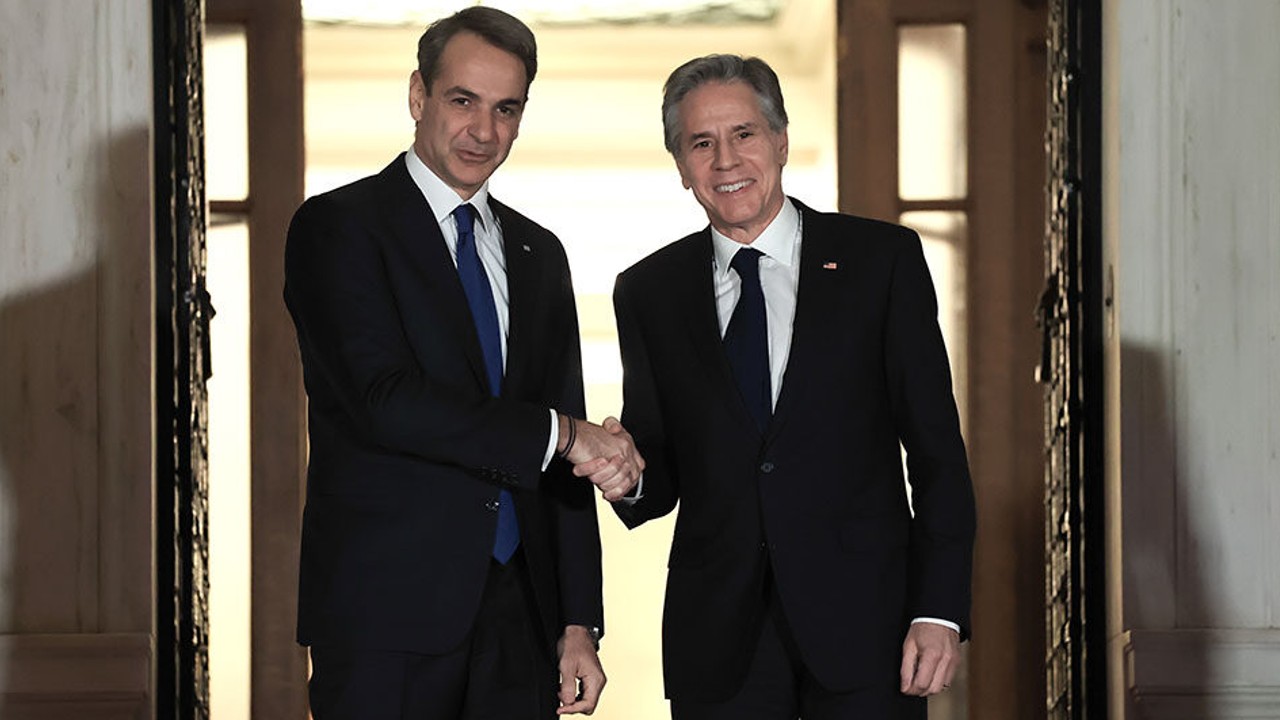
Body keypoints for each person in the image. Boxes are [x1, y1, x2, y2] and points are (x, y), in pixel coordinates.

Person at [283, 8, 642, 718]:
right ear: (418, 95)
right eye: (463, 101)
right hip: (386, 618)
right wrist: (566, 434)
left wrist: (578, 622)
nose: (483, 130)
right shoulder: (339, 227)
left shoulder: (539, 254)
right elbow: (386, 400)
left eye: (506, 109)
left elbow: (561, 451)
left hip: (522, 617)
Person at [602, 54, 976, 719]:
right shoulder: (648, 292)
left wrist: (938, 609)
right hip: (719, 645)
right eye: (701, 143)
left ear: (779, 140)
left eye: (744, 134)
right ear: (681, 165)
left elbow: (937, 453)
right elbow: (658, 468)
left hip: (868, 630)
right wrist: (626, 476)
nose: (726, 159)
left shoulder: (880, 262)